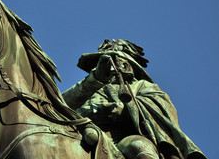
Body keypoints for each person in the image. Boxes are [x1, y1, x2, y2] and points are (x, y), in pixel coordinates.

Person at [63, 39, 206, 159]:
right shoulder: (88, 84)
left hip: (120, 140)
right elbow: (59, 104)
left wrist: (122, 109)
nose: (105, 66)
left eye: (112, 61)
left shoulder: (142, 86)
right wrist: (93, 80)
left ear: (126, 66)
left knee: (140, 147)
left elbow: (161, 114)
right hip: (78, 131)